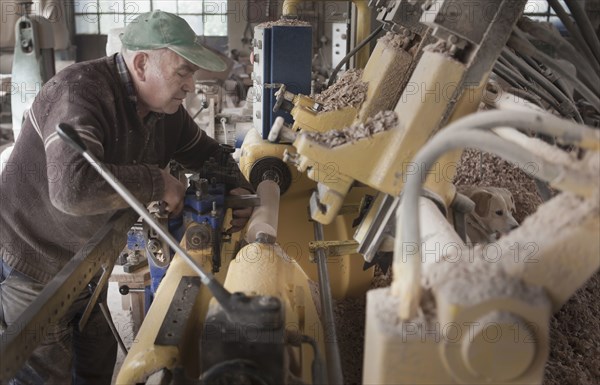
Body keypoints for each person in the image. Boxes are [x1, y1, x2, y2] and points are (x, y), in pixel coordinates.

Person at [0, 10, 253, 384]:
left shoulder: (165, 112)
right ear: (141, 63)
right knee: (46, 373)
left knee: (97, 365)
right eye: (183, 71)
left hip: (91, 263)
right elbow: (72, 188)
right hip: (34, 259)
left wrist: (239, 188)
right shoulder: (79, 92)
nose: (190, 86)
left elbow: (210, 154)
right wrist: (157, 181)